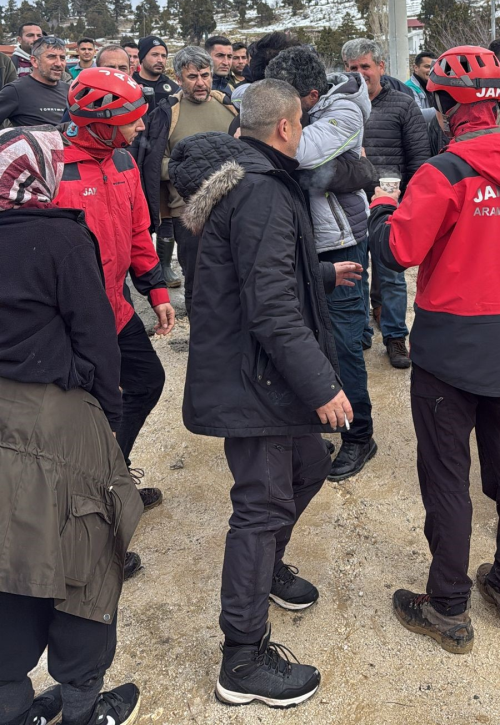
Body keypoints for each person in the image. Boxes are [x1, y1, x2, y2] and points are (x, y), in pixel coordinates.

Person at [170, 80, 355, 708]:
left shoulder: (247, 178)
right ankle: (242, 657)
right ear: (285, 127)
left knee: (308, 467)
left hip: (258, 370)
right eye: (302, 122)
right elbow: (270, 306)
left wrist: (322, 272)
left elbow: (246, 269)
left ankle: (267, 568)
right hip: (258, 378)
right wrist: (321, 385)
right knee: (260, 506)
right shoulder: (260, 189)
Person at [369, 46, 500, 654]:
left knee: (447, 473)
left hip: (451, 342)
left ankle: (447, 604)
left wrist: (383, 210)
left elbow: (398, 251)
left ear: (446, 105)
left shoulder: (444, 172)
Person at [0, 127, 143, 725]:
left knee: (8, 562)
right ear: (43, 175)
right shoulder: (59, 236)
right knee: (85, 555)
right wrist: (108, 414)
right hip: (55, 417)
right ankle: (83, 709)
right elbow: (95, 335)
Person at [54, 68, 175, 515]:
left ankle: (111, 482)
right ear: (100, 124)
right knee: (83, 413)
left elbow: (139, 230)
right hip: (68, 322)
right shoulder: (51, 167)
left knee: (146, 382)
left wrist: (156, 289)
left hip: (116, 308)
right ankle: (85, 508)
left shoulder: (123, 161)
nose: (141, 126)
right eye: (130, 120)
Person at [265, 47, 376, 481]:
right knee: (303, 340)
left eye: (285, 100)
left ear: (311, 96)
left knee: (343, 343)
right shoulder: (304, 110)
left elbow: (297, 152)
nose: (277, 108)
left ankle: (359, 436)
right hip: (299, 241)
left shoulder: (344, 110)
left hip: (339, 244)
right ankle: (319, 425)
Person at [342, 39, 430, 367]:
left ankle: (395, 337)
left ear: (381, 67)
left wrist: (411, 202)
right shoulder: (337, 107)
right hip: (349, 204)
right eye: (352, 68)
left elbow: (418, 158)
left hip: (392, 206)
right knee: (354, 273)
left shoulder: (403, 105)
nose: (359, 73)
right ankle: (359, 333)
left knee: (391, 274)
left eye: (365, 66)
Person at [137, 46, 237, 312]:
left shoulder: (229, 107)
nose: (200, 83)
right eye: (192, 77)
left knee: (235, 277)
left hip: (235, 207)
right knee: (198, 282)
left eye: (205, 75)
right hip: (189, 212)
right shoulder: (167, 114)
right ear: (178, 79)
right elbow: (155, 165)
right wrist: (195, 170)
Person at [0, 36, 69, 127]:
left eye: (62, 58)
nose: (59, 63)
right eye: (51, 57)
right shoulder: (15, 90)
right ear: (34, 61)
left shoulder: (70, 91)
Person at [132, 36, 179, 111]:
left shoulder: (174, 90)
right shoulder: (131, 84)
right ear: (142, 57)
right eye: (155, 55)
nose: (160, 60)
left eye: (163, 56)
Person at [405, 49, 437, 115]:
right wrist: (442, 111)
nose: (431, 70)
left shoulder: (432, 85)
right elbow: (417, 114)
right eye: (427, 66)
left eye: (433, 67)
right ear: (416, 68)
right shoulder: (409, 88)